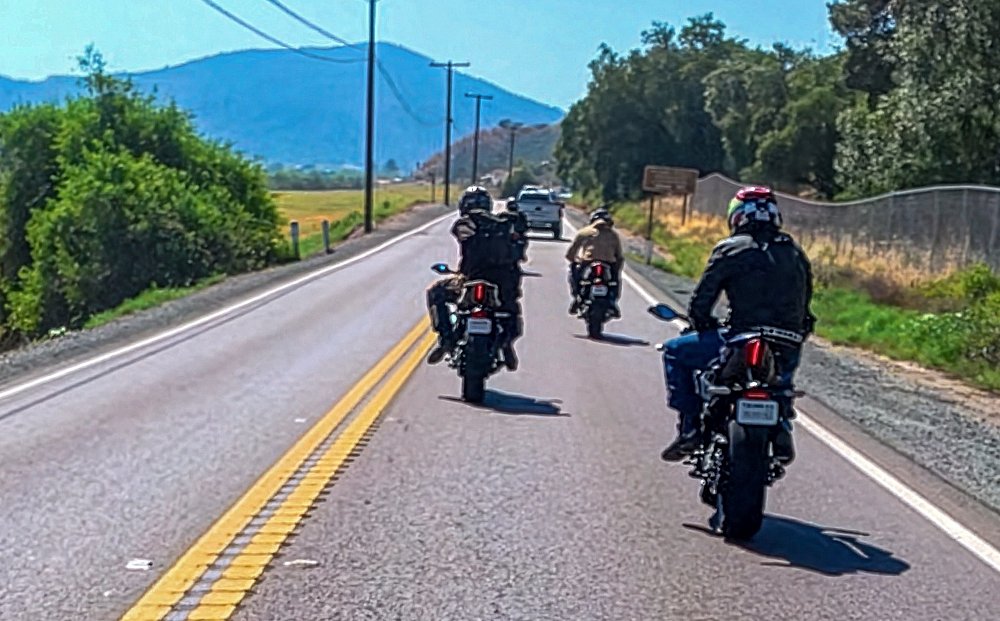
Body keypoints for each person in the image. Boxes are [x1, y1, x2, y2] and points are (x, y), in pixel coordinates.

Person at [660, 186, 816, 461]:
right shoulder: (793, 251)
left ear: (738, 217)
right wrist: (796, 333)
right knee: (780, 385)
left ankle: (689, 429)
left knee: (674, 350)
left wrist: (703, 323)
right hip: (785, 342)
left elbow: (702, 300)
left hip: (740, 338)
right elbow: (806, 306)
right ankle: (782, 428)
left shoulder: (730, 248)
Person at [426, 186, 523, 370]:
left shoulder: (465, 224)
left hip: (469, 280)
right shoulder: (503, 225)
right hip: (501, 284)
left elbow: (460, 234)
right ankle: (507, 345)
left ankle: (446, 338)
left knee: (436, 292)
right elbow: (518, 243)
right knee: (511, 310)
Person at [565, 207, 624, 316]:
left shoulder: (584, 232)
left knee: (574, 275)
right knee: (615, 281)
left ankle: (577, 297)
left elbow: (570, 254)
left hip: (587, 263)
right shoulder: (613, 235)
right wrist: (616, 269)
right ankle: (613, 302)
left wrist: (575, 261)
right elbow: (619, 256)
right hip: (608, 264)